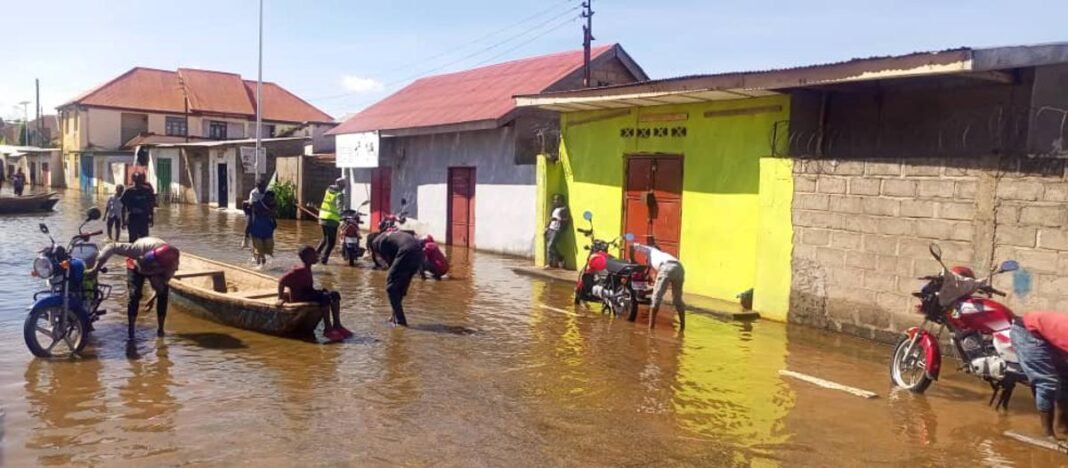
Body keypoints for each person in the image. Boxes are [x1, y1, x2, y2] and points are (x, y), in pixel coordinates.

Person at [94, 237, 180, 339]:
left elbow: (164, 282)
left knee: (163, 293)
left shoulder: (171, 263)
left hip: (155, 266)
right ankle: (131, 331)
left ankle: (161, 330)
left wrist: (153, 296)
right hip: (134, 264)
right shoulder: (136, 250)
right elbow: (111, 246)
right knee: (134, 294)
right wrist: (96, 268)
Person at [1010, 311, 1068, 439]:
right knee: (1047, 382)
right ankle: (1048, 435)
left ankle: (1063, 427)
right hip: (1028, 332)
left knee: (1065, 377)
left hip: (1048, 334)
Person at [278, 246, 351, 342]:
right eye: (313, 255)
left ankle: (337, 325)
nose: (317, 256)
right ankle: (327, 328)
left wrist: (322, 291)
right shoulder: (298, 271)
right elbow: (281, 281)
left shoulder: (308, 269)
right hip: (300, 297)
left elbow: (309, 288)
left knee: (334, 294)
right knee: (325, 298)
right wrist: (280, 298)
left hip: (308, 293)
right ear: (306, 258)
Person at [371, 230, 425, 327]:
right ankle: (394, 316)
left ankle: (400, 321)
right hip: (419, 252)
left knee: (391, 288)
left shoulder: (377, 242)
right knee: (400, 287)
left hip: (406, 251)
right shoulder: (389, 236)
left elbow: (390, 263)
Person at [632, 241, 686, 330]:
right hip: (680, 268)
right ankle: (683, 328)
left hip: (666, 266)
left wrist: (632, 259)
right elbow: (658, 286)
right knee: (677, 299)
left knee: (655, 298)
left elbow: (633, 246)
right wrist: (646, 291)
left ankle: (650, 329)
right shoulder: (663, 255)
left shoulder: (650, 250)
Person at [316, 178, 346, 264]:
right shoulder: (339, 194)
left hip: (322, 217)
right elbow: (339, 207)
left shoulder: (328, 190)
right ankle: (324, 260)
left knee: (325, 239)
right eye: (344, 185)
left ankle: (315, 255)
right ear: (342, 185)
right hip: (331, 220)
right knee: (331, 242)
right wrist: (342, 216)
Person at [121, 171, 156, 242]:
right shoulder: (128, 191)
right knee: (132, 240)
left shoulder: (147, 190)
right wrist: (123, 220)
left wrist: (151, 218)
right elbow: (123, 207)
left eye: (139, 180)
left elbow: (151, 206)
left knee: (144, 240)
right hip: (132, 218)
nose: (138, 182)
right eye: (136, 180)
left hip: (143, 218)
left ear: (142, 180)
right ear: (133, 179)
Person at [249, 190, 277, 265]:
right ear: (265, 197)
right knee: (259, 251)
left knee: (269, 251)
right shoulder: (258, 204)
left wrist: (274, 221)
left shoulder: (273, 205)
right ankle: (258, 267)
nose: (271, 200)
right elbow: (258, 212)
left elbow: (273, 217)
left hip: (268, 231)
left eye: (272, 199)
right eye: (270, 198)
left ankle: (264, 266)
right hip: (256, 231)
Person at [544, 194, 569, 268]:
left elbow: (567, 220)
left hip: (557, 229)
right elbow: (551, 218)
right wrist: (546, 228)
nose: (556, 201)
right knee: (550, 247)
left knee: (550, 245)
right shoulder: (554, 208)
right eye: (554, 199)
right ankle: (551, 264)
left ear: (561, 200)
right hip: (551, 228)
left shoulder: (564, 209)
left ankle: (561, 258)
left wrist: (558, 219)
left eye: (558, 199)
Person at [243, 178, 269, 249]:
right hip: (252, 209)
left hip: (263, 210)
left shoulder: (267, 192)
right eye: (260, 187)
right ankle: (246, 240)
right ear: (257, 187)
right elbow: (254, 204)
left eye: (263, 187)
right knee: (249, 224)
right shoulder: (253, 192)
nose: (262, 189)